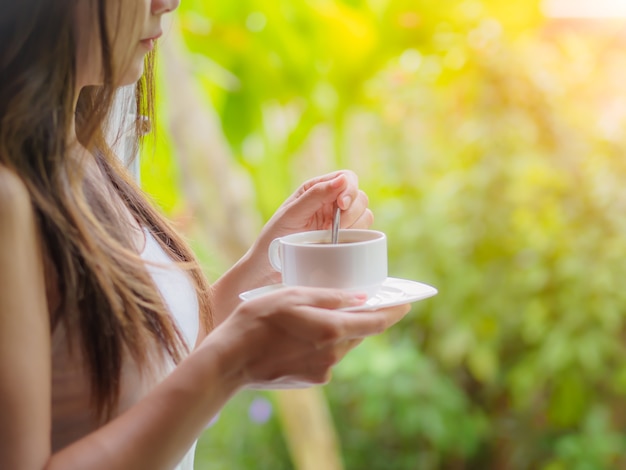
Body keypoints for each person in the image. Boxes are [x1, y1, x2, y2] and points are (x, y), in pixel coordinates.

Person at [0, 0, 411, 469]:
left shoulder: (80, 148)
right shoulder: (9, 192)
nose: (167, 2)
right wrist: (230, 364)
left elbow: (152, 367)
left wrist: (269, 258)